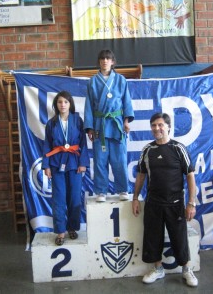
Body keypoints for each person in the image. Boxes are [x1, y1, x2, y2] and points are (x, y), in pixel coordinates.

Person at [132, 112, 198, 287]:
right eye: (154, 125)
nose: (157, 128)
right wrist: (135, 198)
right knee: (152, 237)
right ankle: (158, 269)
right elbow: (141, 176)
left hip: (175, 204)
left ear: (168, 127)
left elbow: (190, 176)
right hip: (153, 202)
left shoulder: (178, 148)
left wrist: (191, 203)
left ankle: (186, 269)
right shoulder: (147, 150)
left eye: (160, 125)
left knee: (179, 238)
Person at [84, 49, 134, 202]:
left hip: (117, 124)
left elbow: (127, 102)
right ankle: (101, 191)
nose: (105, 61)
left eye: (108, 58)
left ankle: (122, 189)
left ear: (113, 62)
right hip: (100, 125)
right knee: (100, 160)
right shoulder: (92, 81)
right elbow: (89, 107)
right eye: (102, 58)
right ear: (99, 62)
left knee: (119, 159)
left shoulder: (120, 80)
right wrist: (90, 128)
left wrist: (126, 121)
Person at [42, 91, 89, 245]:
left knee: (75, 197)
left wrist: (83, 163)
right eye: (60, 102)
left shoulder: (77, 120)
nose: (62, 105)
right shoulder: (51, 123)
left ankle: (72, 228)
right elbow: (47, 145)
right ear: (56, 104)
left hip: (75, 163)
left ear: (70, 104)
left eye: (65, 102)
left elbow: (82, 143)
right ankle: (61, 231)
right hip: (56, 163)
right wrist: (46, 165)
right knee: (59, 199)